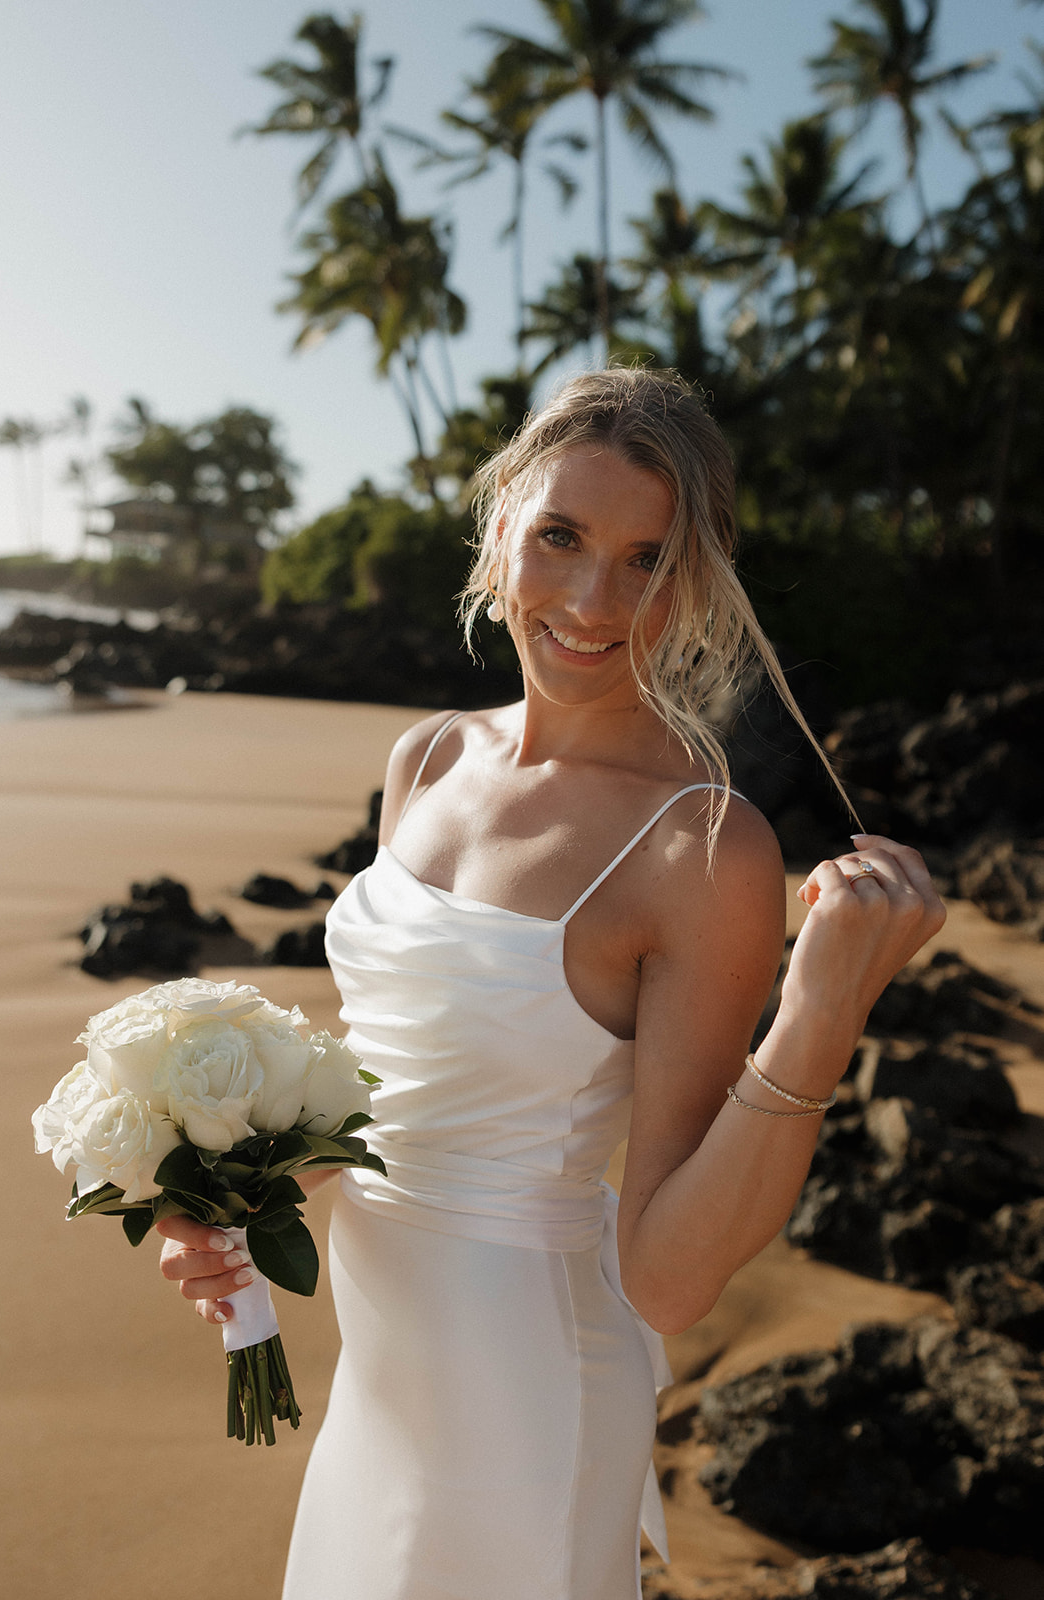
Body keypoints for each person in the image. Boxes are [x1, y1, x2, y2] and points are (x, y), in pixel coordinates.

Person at [157, 367, 946, 1600]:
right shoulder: (424, 757)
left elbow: (669, 1274)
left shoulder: (699, 847)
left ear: (699, 583)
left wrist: (822, 1004)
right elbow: (396, 1082)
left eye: (647, 560)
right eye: (562, 537)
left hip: (523, 1386)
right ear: (498, 530)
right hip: (383, 1360)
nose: (591, 599)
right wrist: (233, 1193)